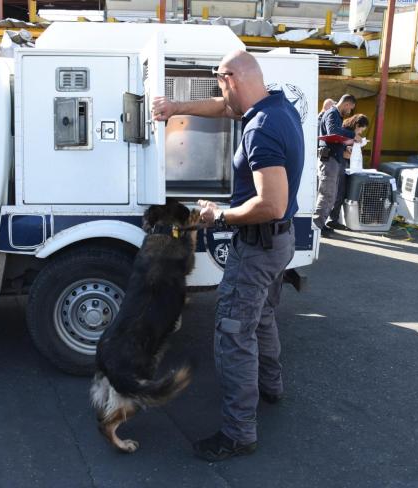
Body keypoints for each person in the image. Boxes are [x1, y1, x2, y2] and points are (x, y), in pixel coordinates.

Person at [152, 50, 304, 462]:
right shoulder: (277, 107)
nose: (221, 95)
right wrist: (174, 108)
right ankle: (271, 387)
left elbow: (271, 203)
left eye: (220, 83)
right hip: (278, 243)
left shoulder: (260, 130)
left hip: (257, 245)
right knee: (263, 317)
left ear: (230, 78)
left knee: (234, 332)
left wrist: (219, 214)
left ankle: (239, 433)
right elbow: (224, 108)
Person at [314, 94, 361, 237]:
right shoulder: (332, 114)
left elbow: (334, 136)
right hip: (329, 160)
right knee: (327, 194)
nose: (350, 112)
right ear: (347, 104)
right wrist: (352, 135)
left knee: (330, 194)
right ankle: (316, 226)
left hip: (332, 159)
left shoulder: (335, 115)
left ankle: (320, 224)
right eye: (350, 108)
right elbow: (333, 132)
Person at [327, 113, 371, 230]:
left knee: (341, 192)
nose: (360, 132)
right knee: (338, 192)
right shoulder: (344, 131)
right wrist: (348, 149)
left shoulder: (350, 133)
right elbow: (340, 148)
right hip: (339, 163)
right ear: (356, 124)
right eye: (361, 129)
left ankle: (334, 219)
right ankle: (331, 220)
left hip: (347, 165)